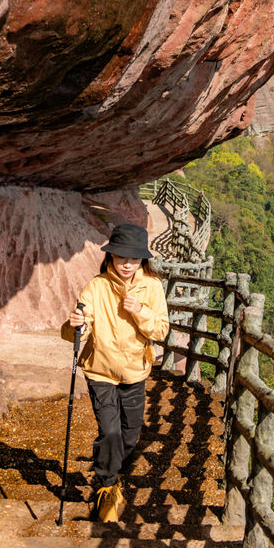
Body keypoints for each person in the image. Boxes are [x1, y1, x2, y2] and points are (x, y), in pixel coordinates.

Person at [61, 223, 170, 522]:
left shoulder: (152, 287)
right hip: (100, 371)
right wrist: (76, 325)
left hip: (135, 372)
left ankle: (114, 473)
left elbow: (161, 330)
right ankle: (107, 487)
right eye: (121, 257)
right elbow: (81, 326)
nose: (127, 264)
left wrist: (140, 311)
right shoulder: (96, 287)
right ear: (110, 257)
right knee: (109, 432)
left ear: (142, 261)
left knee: (130, 435)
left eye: (133, 259)